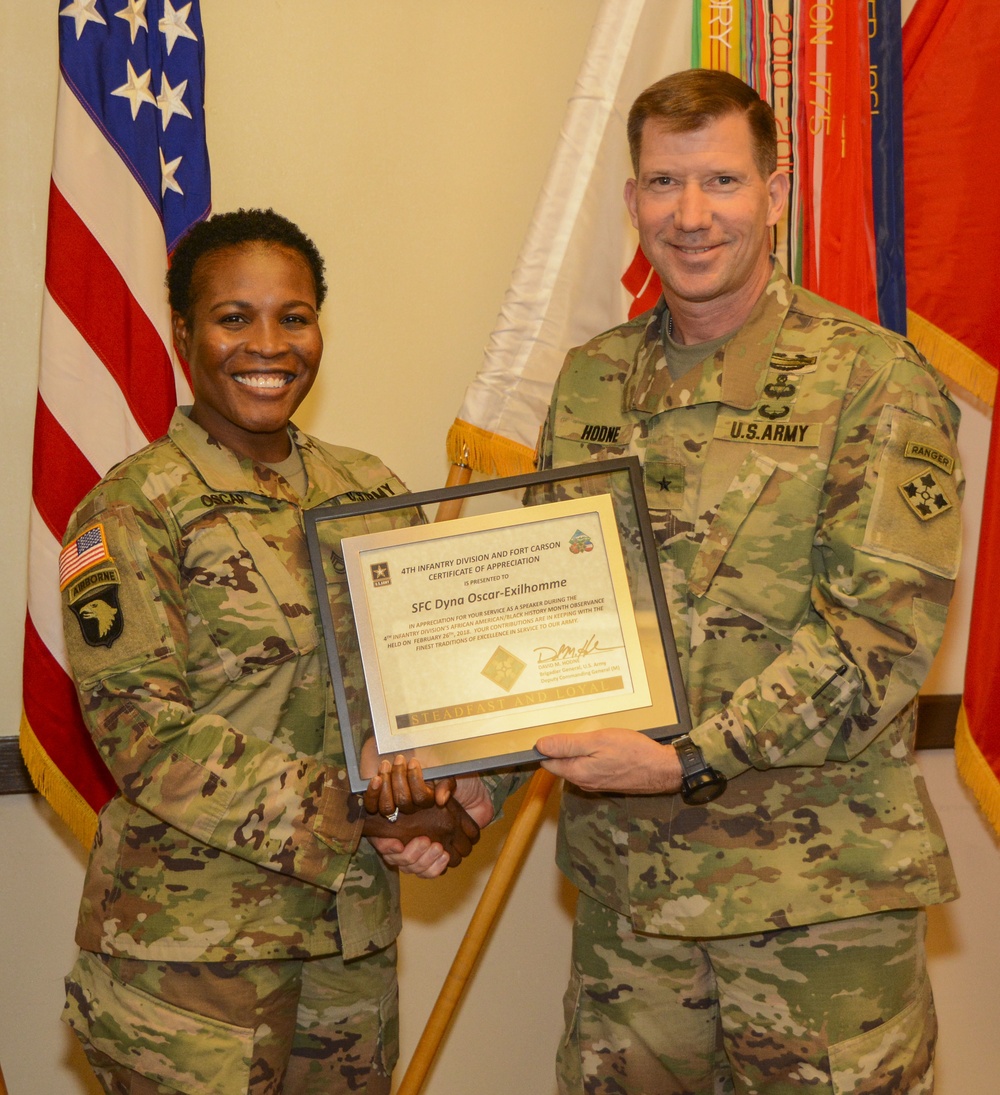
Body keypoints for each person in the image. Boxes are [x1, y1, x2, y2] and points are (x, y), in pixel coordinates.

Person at [531, 70, 963, 1094]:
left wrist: (683, 758)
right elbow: (553, 614)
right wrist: (463, 778)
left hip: (813, 914)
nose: (690, 216)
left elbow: (877, 642)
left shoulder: (871, 379)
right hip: (632, 910)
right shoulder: (589, 381)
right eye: (663, 184)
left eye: (721, 181)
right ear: (631, 200)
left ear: (776, 194)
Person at [59, 208, 497, 1095]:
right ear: (184, 332)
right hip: (191, 964)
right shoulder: (129, 511)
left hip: (349, 949)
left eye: (294, 316)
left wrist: (464, 798)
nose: (269, 343)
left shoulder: (369, 489)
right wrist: (363, 804)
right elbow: (142, 733)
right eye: (234, 317)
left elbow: (457, 674)